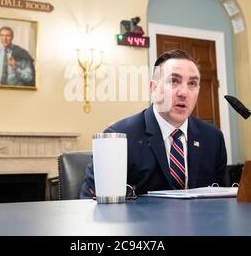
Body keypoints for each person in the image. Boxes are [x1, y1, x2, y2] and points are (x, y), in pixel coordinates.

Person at [80, 50, 227, 198]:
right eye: (174, 81)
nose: (184, 92)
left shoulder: (213, 138)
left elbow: (224, 200)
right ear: (153, 88)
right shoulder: (118, 138)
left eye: (192, 84)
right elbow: (90, 202)